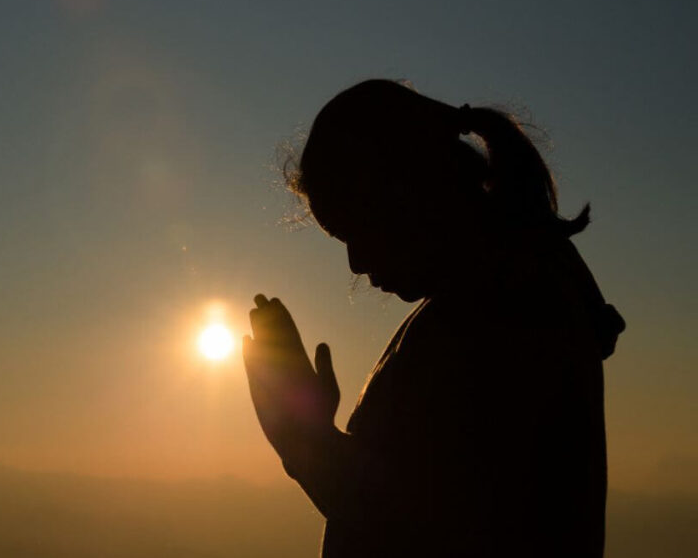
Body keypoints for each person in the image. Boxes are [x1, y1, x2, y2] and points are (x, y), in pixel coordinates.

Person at [242, 79, 625, 557]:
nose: (356, 263)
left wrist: (304, 442)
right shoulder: (511, 294)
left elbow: (419, 529)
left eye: (357, 230)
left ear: (411, 192)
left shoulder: (498, 318)